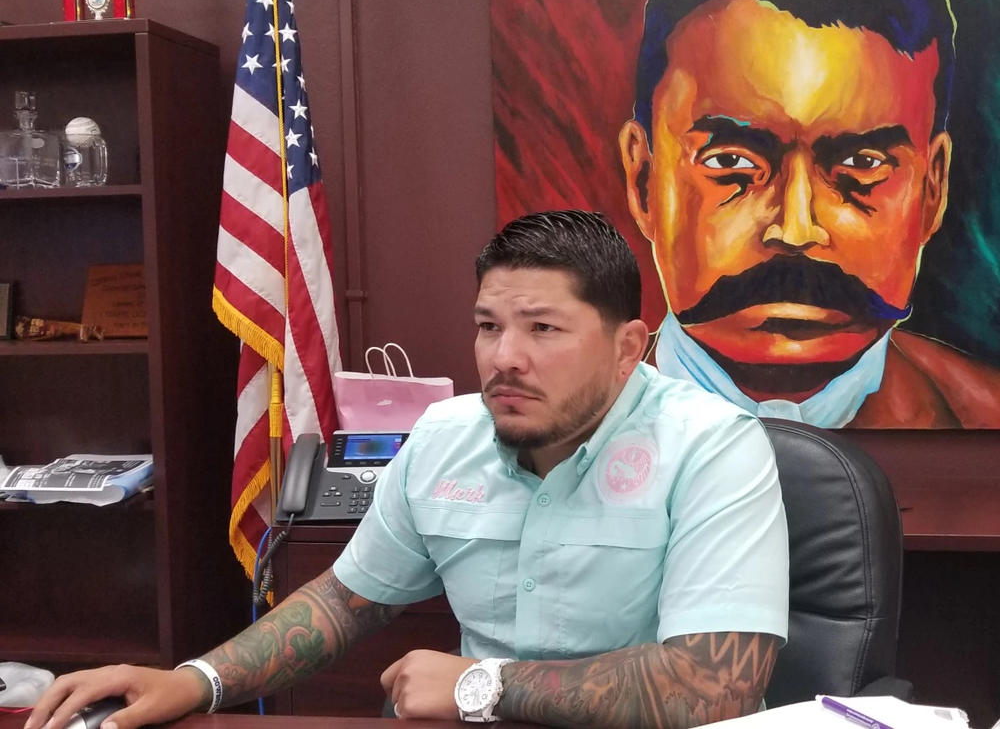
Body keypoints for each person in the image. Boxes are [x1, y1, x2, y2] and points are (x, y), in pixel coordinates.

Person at [26, 211, 788, 729]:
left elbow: (715, 685)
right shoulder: (445, 436)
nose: (504, 358)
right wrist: (196, 681)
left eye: (544, 329)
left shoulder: (712, 446)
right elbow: (341, 604)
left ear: (630, 349)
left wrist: (479, 684)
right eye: (488, 327)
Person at [618, 0, 1000, 429]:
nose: (796, 230)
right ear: (644, 180)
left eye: (862, 163)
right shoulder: (560, 429)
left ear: (933, 190)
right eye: (731, 161)